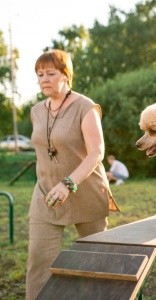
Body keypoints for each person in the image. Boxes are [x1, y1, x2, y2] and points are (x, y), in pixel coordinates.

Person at [26, 49, 120, 300]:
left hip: (85, 192)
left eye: (50, 73)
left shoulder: (85, 106)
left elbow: (96, 152)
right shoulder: (36, 110)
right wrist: (53, 183)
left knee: (95, 263)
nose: (44, 79)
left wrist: (68, 183)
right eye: (39, 74)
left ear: (66, 76)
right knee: (38, 263)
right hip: (46, 194)